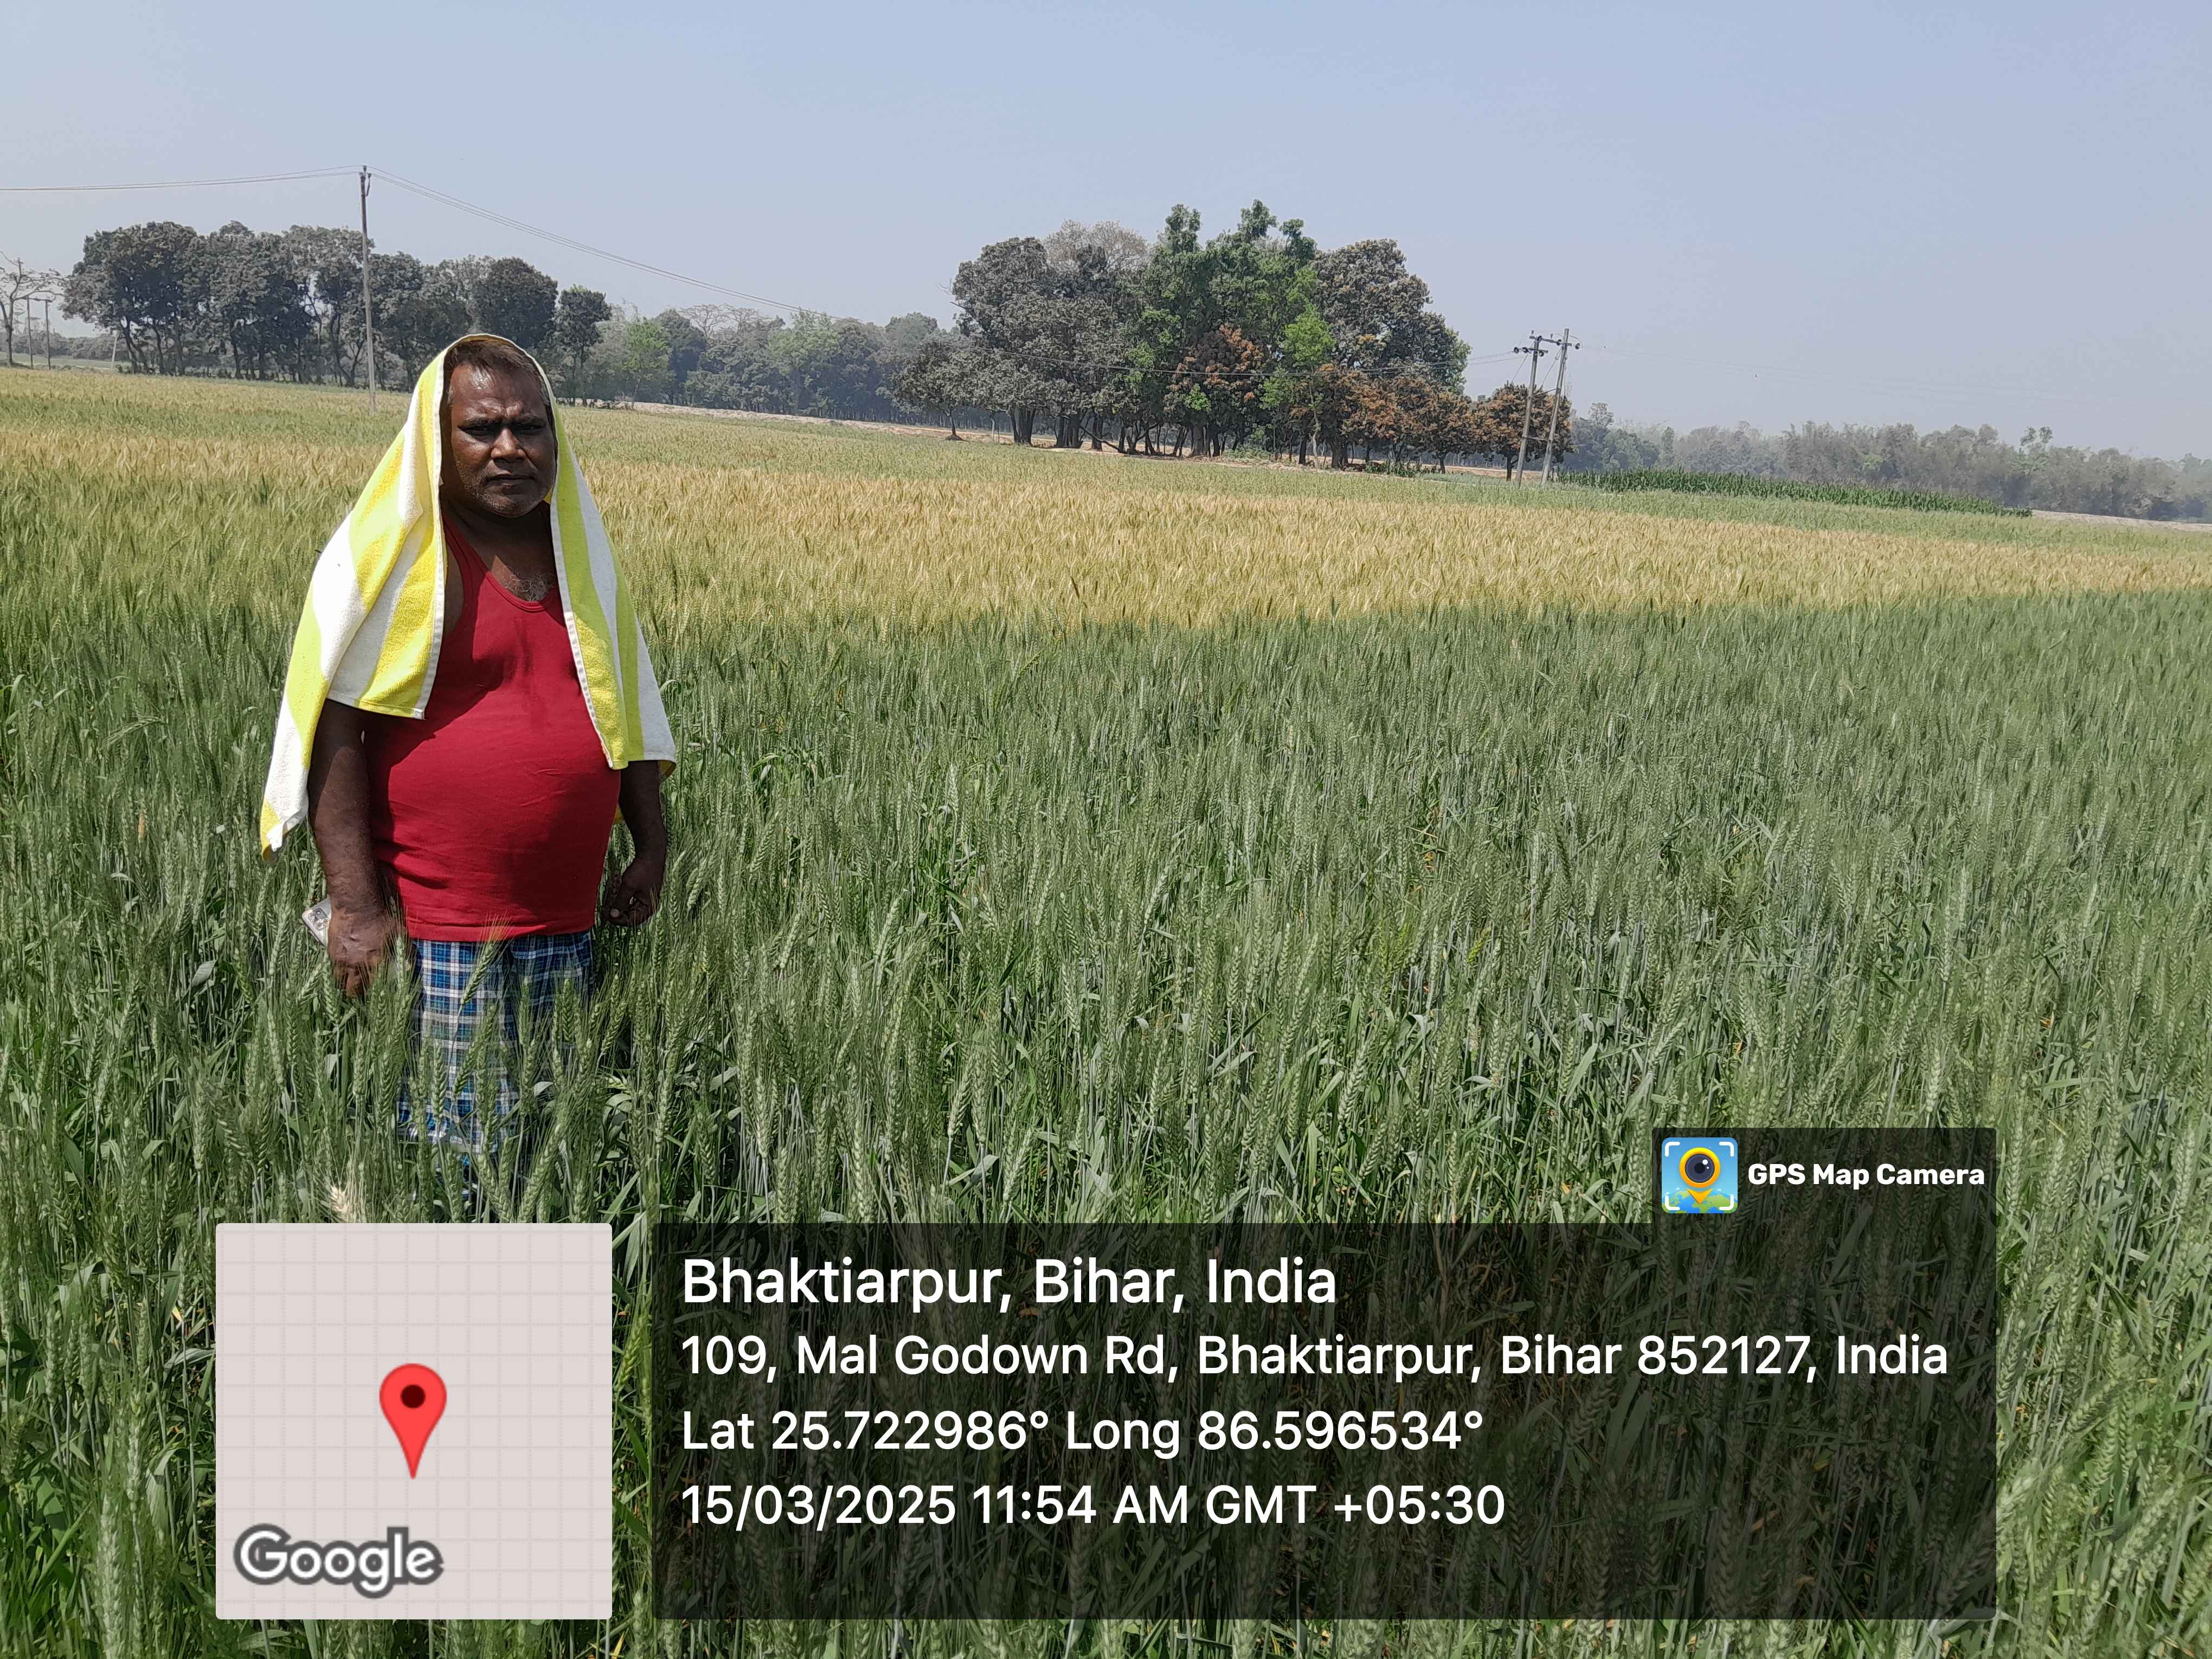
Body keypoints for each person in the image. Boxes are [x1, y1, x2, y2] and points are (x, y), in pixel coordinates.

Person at [260, 334, 676, 1148]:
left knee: (553, 1148)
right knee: (456, 1159)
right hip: (442, 927)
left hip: (565, 922)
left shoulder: (579, 553)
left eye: (530, 426)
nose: (510, 447)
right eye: (482, 429)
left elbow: (621, 702)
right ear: (436, 441)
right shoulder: (397, 557)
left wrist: (651, 843)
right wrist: (355, 907)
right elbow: (332, 723)